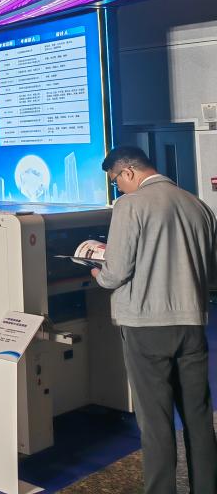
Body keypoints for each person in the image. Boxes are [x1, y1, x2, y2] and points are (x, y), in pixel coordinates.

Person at [91, 146, 217, 494]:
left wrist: (98, 273)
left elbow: (116, 272)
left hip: (146, 326)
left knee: (156, 421)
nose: (118, 187)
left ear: (128, 172)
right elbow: (211, 271)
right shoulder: (198, 206)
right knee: (198, 416)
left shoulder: (130, 205)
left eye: (116, 180)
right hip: (192, 323)